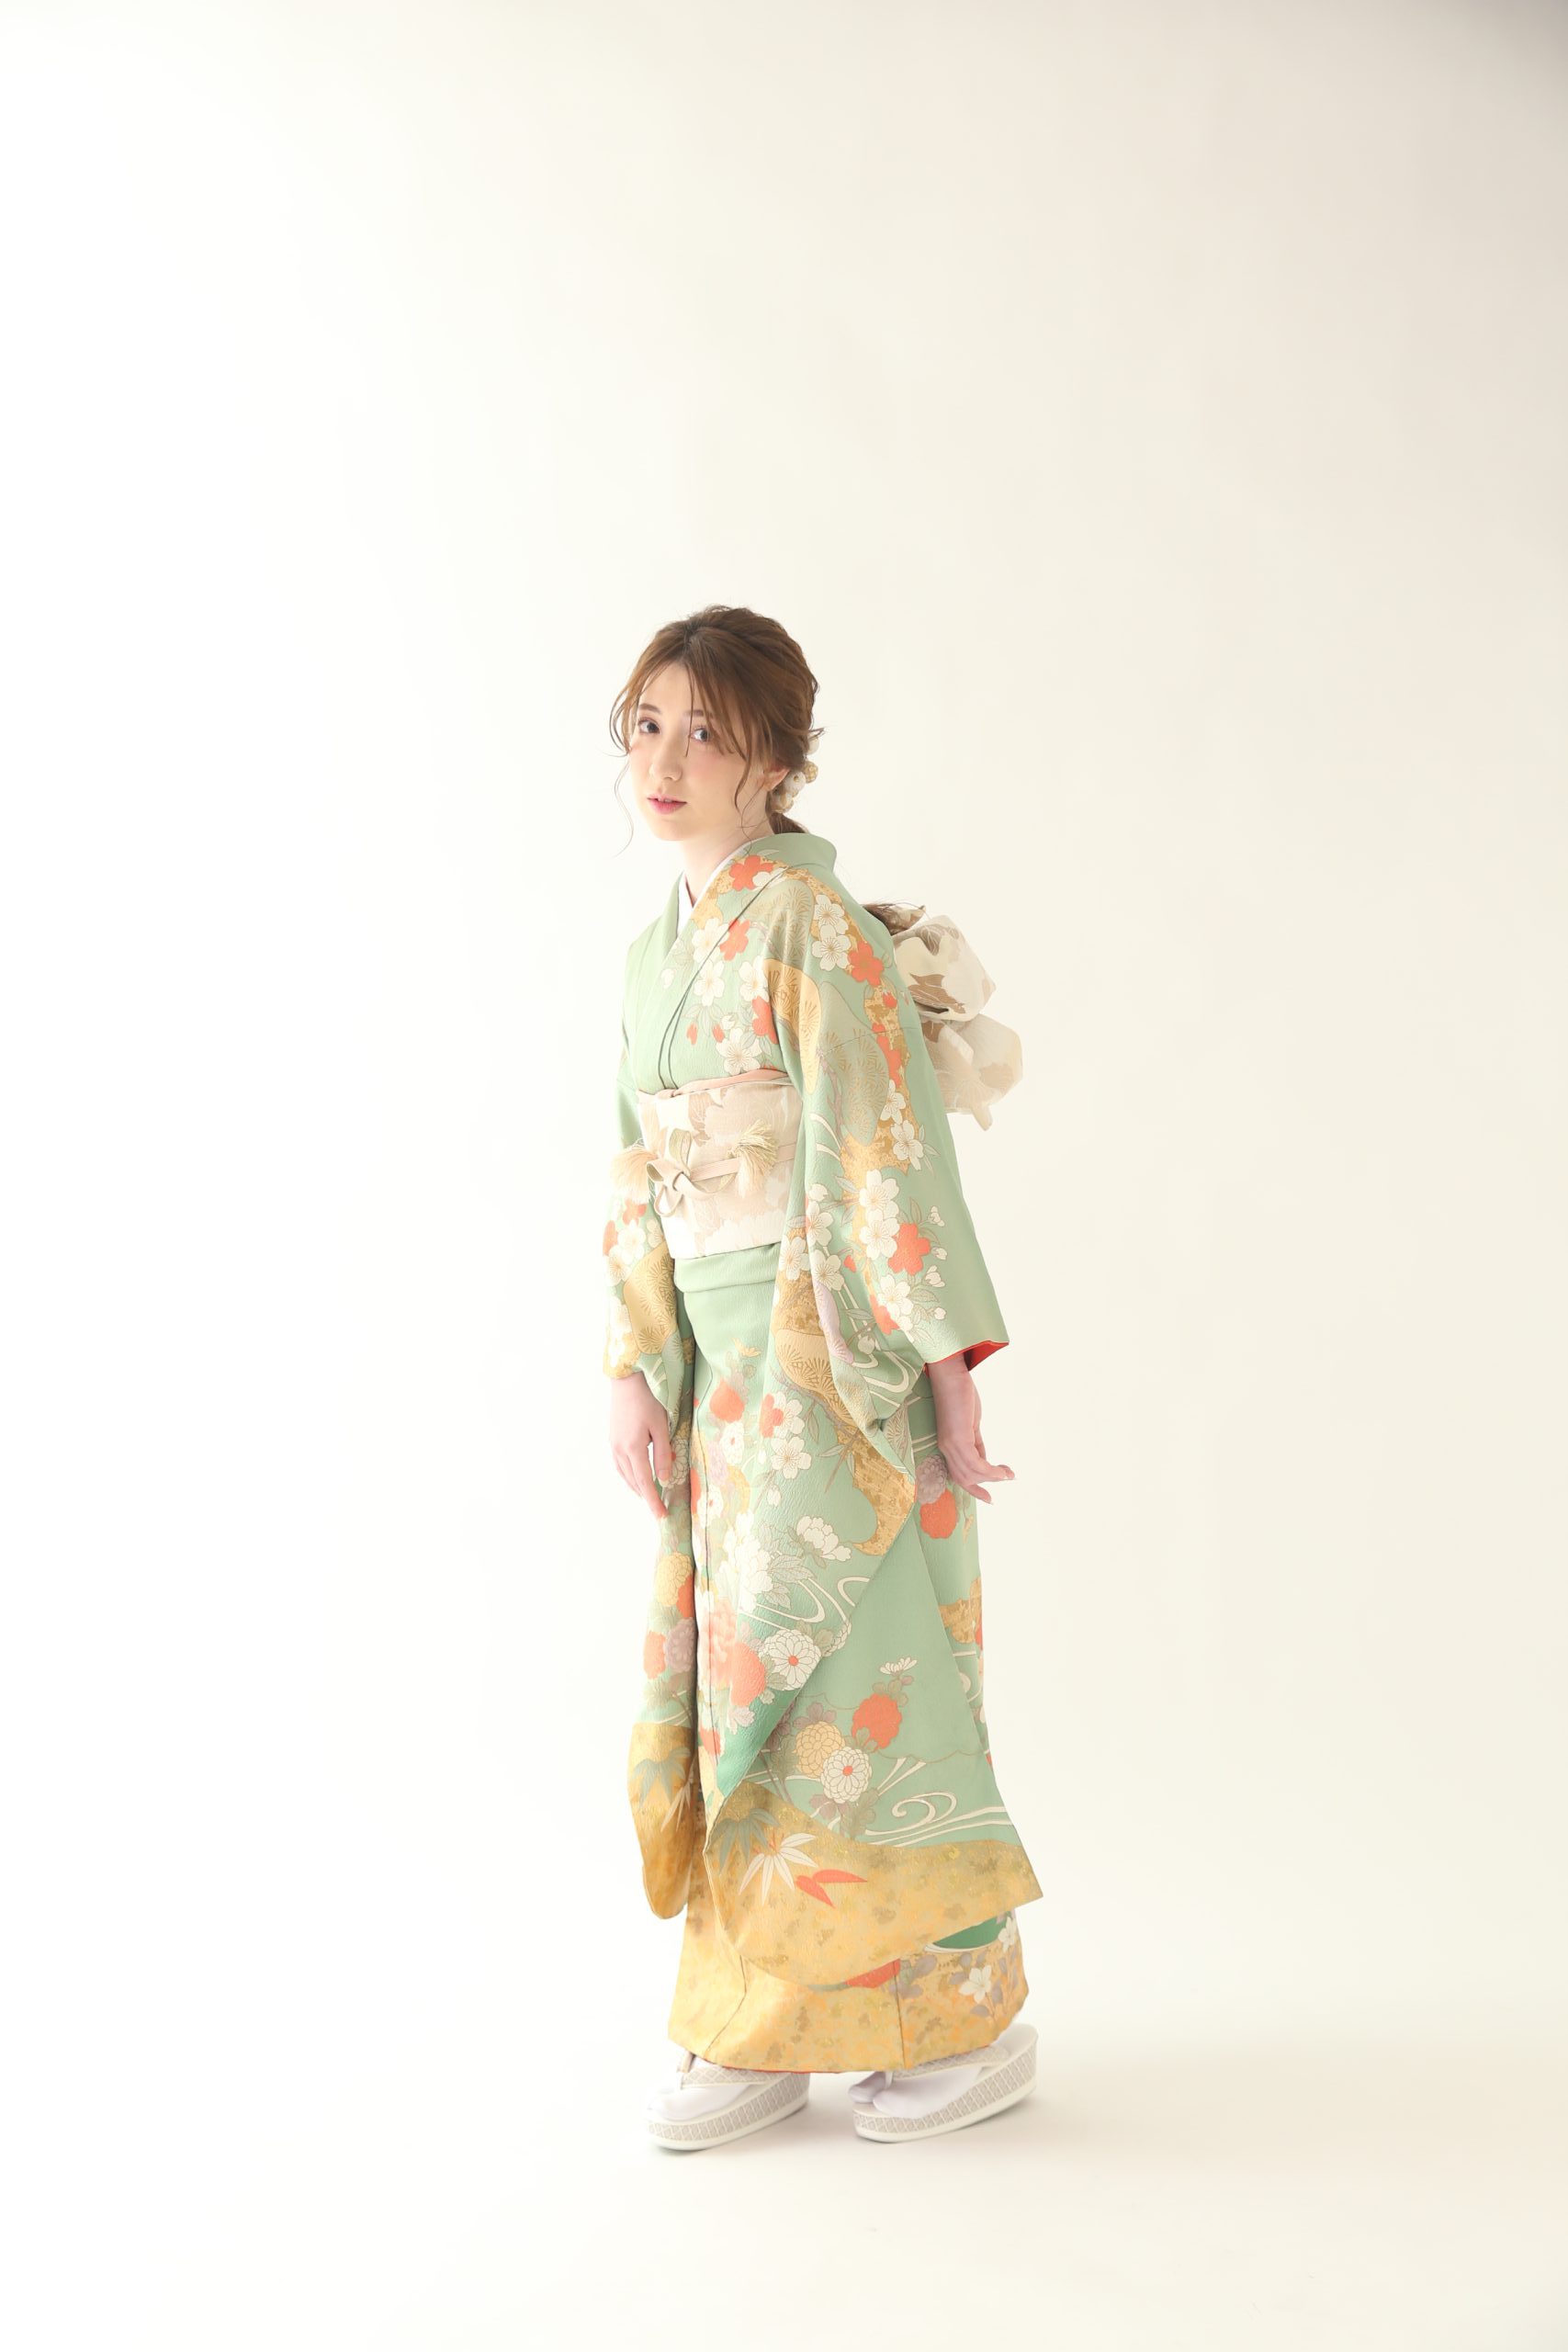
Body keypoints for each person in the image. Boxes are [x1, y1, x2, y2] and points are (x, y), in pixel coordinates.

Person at [603, 605, 1043, 2151]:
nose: (666, 758)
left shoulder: (806, 925)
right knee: (741, 1688)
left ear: (778, 762)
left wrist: (945, 1365)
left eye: (707, 732)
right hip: (716, 1368)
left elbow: (882, 1150)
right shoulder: (657, 956)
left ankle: (959, 2023)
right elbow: (635, 1168)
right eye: (647, 724)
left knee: (857, 1687)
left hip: (824, 1353)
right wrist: (634, 1366)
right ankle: (766, 2026)